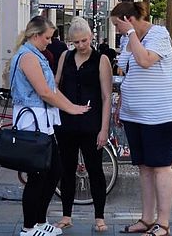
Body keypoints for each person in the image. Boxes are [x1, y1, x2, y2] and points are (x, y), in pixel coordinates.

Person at [110, 2, 172, 236]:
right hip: (136, 114)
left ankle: (162, 223)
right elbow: (129, 72)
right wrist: (122, 104)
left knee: (161, 166)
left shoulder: (159, 34)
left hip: (163, 113)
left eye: (117, 25)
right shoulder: (127, 40)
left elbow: (144, 61)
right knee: (144, 167)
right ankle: (146, 219)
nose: (116, 30)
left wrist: (132, 34)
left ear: (128, 20)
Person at [10, 16, 90, 236]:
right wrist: (71, 108)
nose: (50, 41)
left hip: (42, 124)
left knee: (54, 171)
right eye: (47, 37)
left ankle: (39, 220)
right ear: (35, 36)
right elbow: (45, 92)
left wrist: (73, 106)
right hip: (32, 124)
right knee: (38, 176)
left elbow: (51, 91)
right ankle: (29, 226)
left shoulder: (35, 55)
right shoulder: (27, 57)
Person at [53, 17, 113, 233]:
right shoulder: (65, 57)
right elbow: (56, 85)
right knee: (66, 170)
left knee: (95, 170)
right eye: (76, 42)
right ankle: (66, 215)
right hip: (66, 123)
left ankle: (99, 217)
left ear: (91, 37)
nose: (80, 46)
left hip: (91, 124)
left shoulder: (101, 59)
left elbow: (107, 96)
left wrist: (104, 129)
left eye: (84, 41)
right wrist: (65, 105)